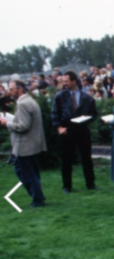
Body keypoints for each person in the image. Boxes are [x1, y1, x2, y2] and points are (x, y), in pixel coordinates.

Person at [0, 80, 47, 208]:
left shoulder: (23, 104)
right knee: (31, 173)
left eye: (11, 89)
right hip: (32, 144)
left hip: (25, 146)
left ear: (19, 89)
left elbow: (23, 126)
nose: (8, 91)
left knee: (26, 173)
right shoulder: (29, 101)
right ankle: (38, 197)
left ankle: (37, 199)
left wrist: (6, 123)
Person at [51, 71, 98, 193]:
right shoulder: (60, 97)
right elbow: (54, 114)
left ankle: (90, 183)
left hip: (82, 130)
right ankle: (67, 186)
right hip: (67, 131)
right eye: (63, 81)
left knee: (86, 158)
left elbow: (94, 114)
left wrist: (88, 118)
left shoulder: (87, 98)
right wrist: (59, 127)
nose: (64, 83)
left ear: (74, 81)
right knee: (66, 159)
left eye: (66, 81)